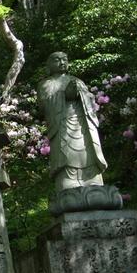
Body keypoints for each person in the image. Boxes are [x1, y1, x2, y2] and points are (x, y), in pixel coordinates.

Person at [39, 52, 107, 191]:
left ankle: (92, 179)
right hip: (62, 123)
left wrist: (81, 94)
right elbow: (44, 105)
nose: (62, 63)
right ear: (49, 65)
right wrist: (64, 94)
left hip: (82, 122)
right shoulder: (46, 84)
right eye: (57, 60)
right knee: (65, 153)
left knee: (88, 150)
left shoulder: (78, 81)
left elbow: (90, 100)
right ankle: (68, 180)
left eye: (64, 59)